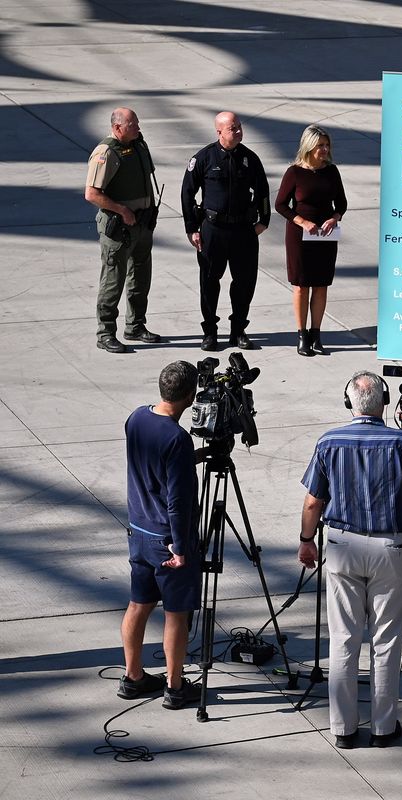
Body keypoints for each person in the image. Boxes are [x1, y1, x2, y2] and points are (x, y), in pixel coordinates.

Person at [297, 371, 402, 748]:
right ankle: (383, 728)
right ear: (384, 402)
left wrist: (306, 540)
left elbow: (314, 501)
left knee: (343, 639)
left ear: (349, 402)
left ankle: (343, 729)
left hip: (342, 547)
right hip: (391, 550)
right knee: (386, 640)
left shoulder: (329, 442)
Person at [119, 361, 203, 710]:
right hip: (167, 539)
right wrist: (182, 549)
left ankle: (133, 676)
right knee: (176, 613)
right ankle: (174, 685)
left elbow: (154, 466)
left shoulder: (137, 417)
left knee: (138, 603)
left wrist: (192, 458)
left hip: (139, 531)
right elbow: (177, 502)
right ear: (190, 395)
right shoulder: (177, 438)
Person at [181, 111, 271, 352]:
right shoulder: (203, 158)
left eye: (240, 126)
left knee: (244, 282)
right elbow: (187, 193)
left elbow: (262, 191)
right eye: (233, 128)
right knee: (210, 281)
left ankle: (238, 330)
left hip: (243, 231)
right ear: (219, 132)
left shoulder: (250, 159)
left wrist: (264, 221)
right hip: (213, 230)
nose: (239, 131)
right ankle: (210, 332)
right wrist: (192, 228)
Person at [85, 107, 161, 354]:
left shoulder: (139, 144)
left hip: (142, 225)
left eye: (137, 123)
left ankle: (135, 326)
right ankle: (106, 332)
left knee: (141, 277)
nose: (138, 127)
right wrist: (121, 210)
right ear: (118, 128)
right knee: (113, 280)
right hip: (119, 230)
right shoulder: (106, 153)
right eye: (132, 124)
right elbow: (92, 194)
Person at [275, 124, 348, 357]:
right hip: (300, 236)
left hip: (325, 235)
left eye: (327, 145)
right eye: (320, 146)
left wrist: (334, 218)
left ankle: (317, 335)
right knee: (301, 285)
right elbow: (280, 205)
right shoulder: (294, 173)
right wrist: (302, 221)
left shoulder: (332, 171)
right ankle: (302, 335)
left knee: (321, 284)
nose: (325, 150)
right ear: (309, 147)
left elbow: (342, 203)